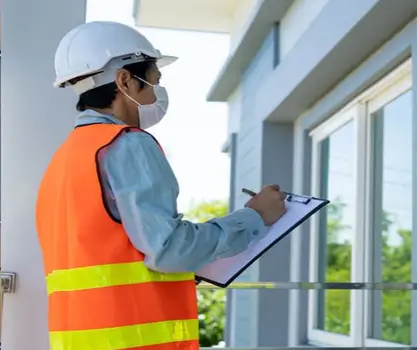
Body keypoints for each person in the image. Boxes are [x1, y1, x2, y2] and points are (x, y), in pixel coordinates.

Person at [35, 21, 286, 350]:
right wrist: (254, 216)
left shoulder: (64, 159)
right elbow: (169, 249)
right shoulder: (127, 144)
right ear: (125, 81)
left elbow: (117, 257)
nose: (157, 94)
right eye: (153, 82)